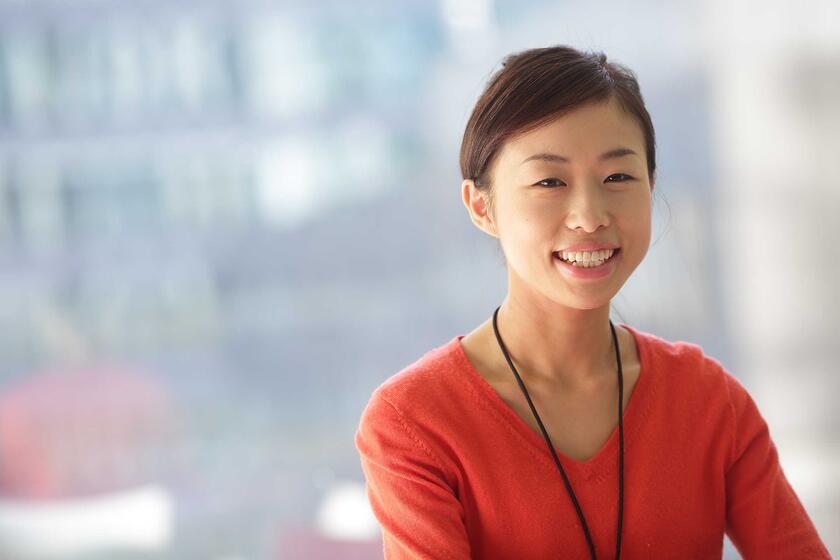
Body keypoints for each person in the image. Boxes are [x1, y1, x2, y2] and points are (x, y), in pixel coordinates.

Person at [354, 45, 831, 560]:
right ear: (481, 206)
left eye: (618, 178)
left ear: (650, 185)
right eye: (550, 182)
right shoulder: (416, 422)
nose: (589, 214)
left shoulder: (709, 401)